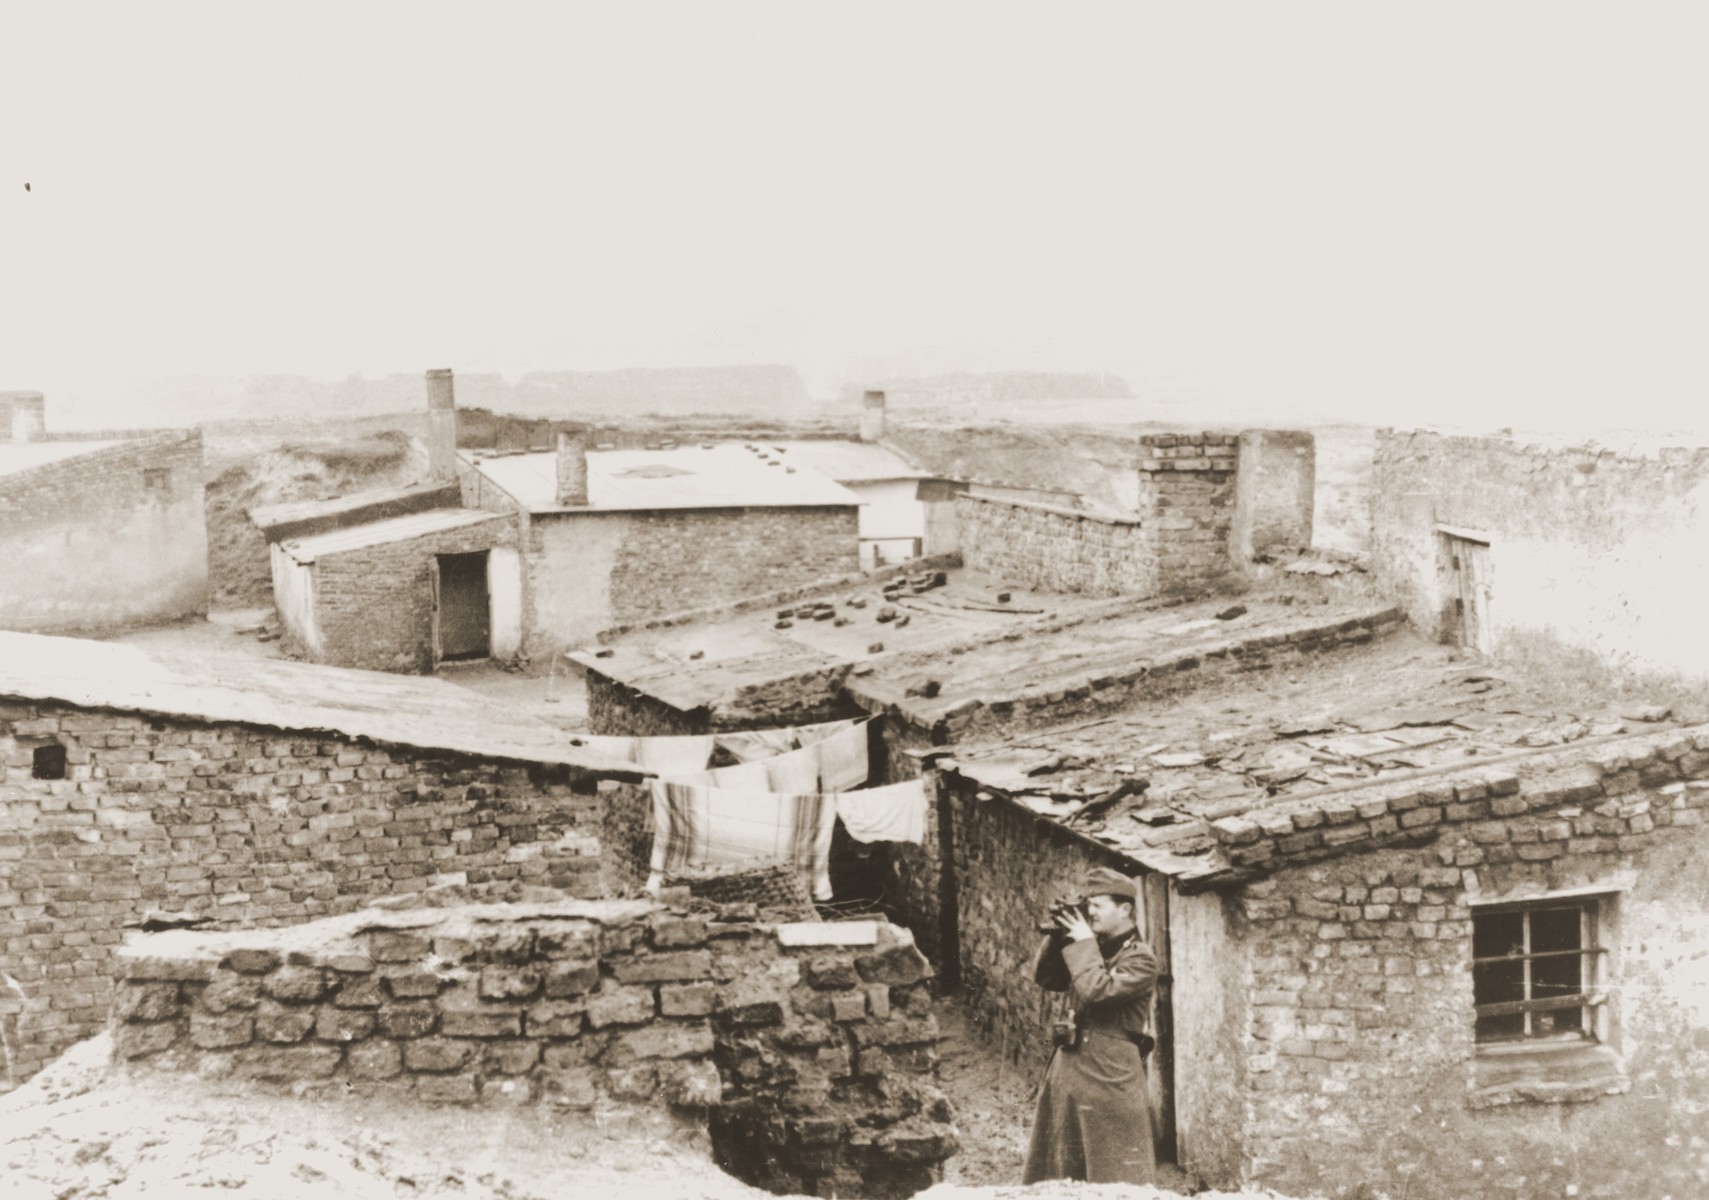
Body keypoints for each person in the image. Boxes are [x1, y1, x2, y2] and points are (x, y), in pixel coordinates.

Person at [1021, 865, 1159, 1186]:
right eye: (1089, 905)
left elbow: (1098, 990)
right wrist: (1060, 938)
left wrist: (1082, 943)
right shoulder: (1093, 944)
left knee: (1114, 1171)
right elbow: (1048, 978)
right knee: (1060, 1169)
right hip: (1070, 1072)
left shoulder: (1141, 959)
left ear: (1125, 910)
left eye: (1098, 906)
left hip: (1109, 1077)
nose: (1091, 913)